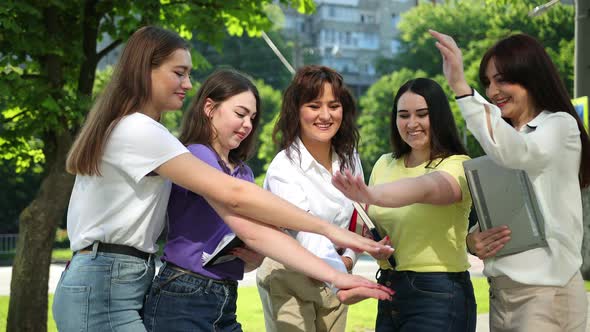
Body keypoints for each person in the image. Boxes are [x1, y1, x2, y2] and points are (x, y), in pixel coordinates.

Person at [51, 26, 394, 332]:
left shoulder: (154, 135)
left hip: (125, 277)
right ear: (146, 70)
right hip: (107, 278)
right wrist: (331, 231)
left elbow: (250, 229)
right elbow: (234, 195)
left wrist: (338, 277)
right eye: (179, 73)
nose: (188, 84)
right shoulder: (140, 131)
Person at [430, 30, 590, 331]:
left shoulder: (559, 126)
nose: (492, 92)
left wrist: (461, 88)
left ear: (532, 76)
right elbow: (511, 209)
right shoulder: (504, 140)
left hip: (546, 298)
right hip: (501, 294)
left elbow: (516, 155)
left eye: (503, 79)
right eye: (487, 83)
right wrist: (473, 240)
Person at [332, 77, 477, 332]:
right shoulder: (384, 164)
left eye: (422, 114)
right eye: (403, 115)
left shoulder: (457, 164)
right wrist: (372, 244)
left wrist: (370, 195)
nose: (412, 124)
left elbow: (427, 188)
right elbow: (370, 226)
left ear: (440, 117)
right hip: (389, 288)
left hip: (439, 294)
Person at [142, 69, 265, 331]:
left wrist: (255, 256)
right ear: (210, 108)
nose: (247, 125)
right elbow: (235, 202)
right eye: (240, 114)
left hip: (225, 295)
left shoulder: (244, 172)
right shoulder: (196, 154)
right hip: (184, 292)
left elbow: (248, 244)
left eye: (252, 118)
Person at [256, 65, 375, 332]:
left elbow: (360, 218)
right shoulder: (283, 168)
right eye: (313, 105)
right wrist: (341, 278)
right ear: (296, 110)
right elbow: (306, 234)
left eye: (333, 105)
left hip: (336, 273)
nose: (325, 115)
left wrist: (349, 261)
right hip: (289, 276)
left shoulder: (349, 158)